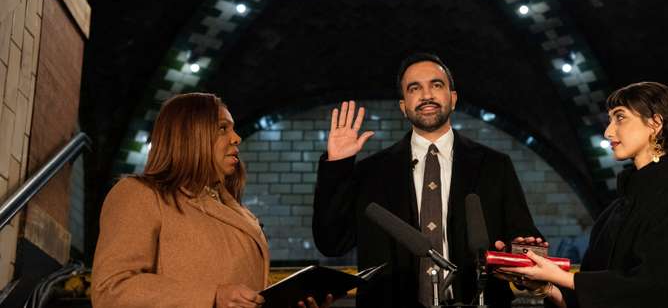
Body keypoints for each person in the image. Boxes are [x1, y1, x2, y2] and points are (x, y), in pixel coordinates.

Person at [313, 53, 545, 308]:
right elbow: (331, 243)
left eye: (436, 85)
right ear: (403, 106)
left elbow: (523, 240)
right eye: (415, 88)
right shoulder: (371, 172)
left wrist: (523, 251)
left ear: (453, 99)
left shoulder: (495, 166)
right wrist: (338, 166)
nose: (426, 95)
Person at [91, 93, 331, 308]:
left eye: (233, 129)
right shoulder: (139, 194)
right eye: (222, 128)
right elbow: (112, 289)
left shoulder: (239, 213)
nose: (236, 138)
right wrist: (212, 296)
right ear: (189, 135)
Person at [498, 82, 668, 308]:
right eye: (610, 119)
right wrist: (545, 285)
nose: (608, 132)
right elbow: (593, 300)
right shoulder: (611, 214)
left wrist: (563, 277)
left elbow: (665, 286)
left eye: (620, 117)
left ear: (655, 123)